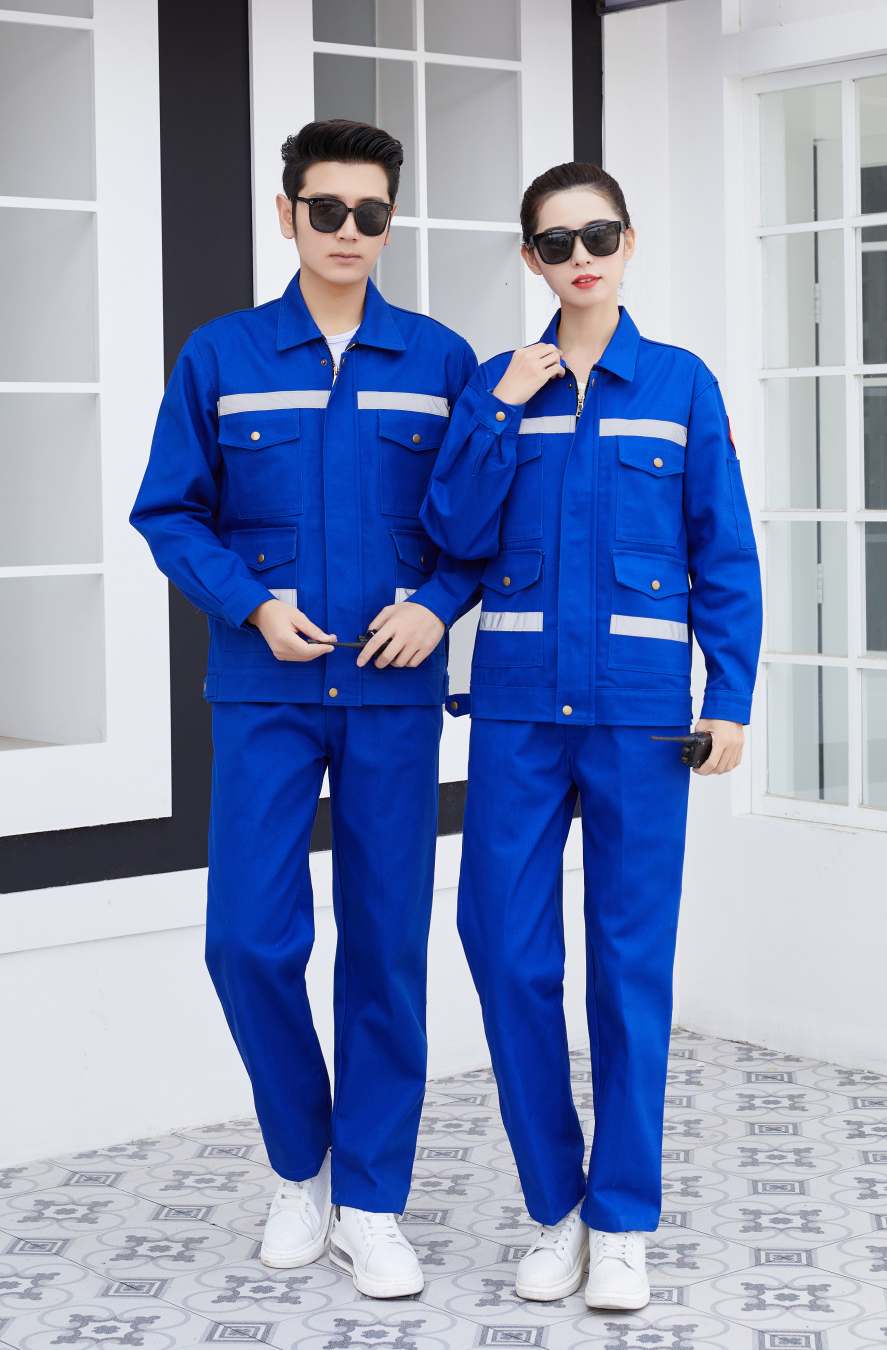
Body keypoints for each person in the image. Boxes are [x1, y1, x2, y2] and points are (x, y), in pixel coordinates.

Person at [131, 120, 480, 1299]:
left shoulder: (439, 359)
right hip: (265, 688)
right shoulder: (222, 354)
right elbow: (169, 511)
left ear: (390, 223)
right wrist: (250, 604)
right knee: (247, 940)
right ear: (286, 214)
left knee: (384, 947)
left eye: (369, 214)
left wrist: (438, 605)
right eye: (325, 209)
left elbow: (478, 520)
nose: (347, 232)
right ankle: (301, 1168)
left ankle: (370, 1202)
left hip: (393, 696)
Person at [421, 161, 762, 1312]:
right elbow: (453, 529)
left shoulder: (679, 384)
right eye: (557, 242)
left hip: (639, 720)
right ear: (531, 258)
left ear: (628, 243)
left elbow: (725, 551)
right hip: (518, 715)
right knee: (504, 950)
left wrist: (729, 697)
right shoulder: (497, 382)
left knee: (628, 968)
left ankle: (620, 1222)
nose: (580, 258)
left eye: (598, 235)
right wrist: (496, 409)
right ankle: (555, 1207)